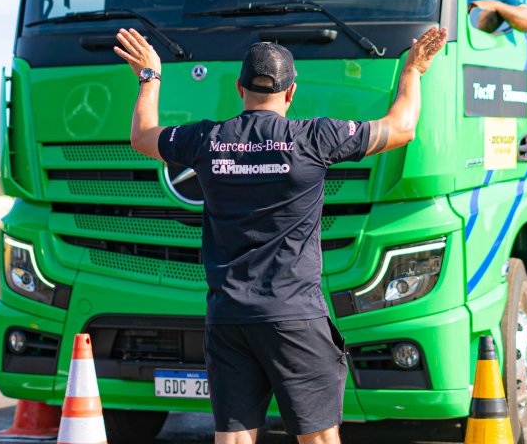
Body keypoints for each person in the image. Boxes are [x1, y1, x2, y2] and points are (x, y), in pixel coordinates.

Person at [113, 25, 448, 444]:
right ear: (291, 93)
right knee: (318, 438)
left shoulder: (207, 140)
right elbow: (401, 127)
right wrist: (412, 71)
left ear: (239, 89)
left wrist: (150, 76)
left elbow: (142, 136)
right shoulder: (313, 138)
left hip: (229, 316)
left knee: (233, 437)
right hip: (294, 316)